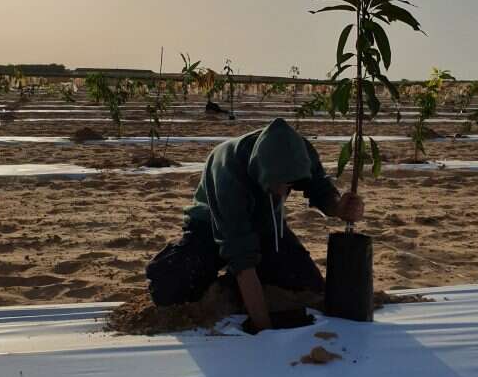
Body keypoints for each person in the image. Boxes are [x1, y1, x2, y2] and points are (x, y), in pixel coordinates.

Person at [145, 118, 364, 330]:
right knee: (172, 289)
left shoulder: (299, 152)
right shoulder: (228, 171)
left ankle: (233, 285)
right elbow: (241, 255)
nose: (282, 191)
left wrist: (339, 208)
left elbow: (320, 189)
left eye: (288, 184)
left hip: (267, 223)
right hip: (211, 226)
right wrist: (263, 329)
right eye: (276, 183)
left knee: (307, 286)